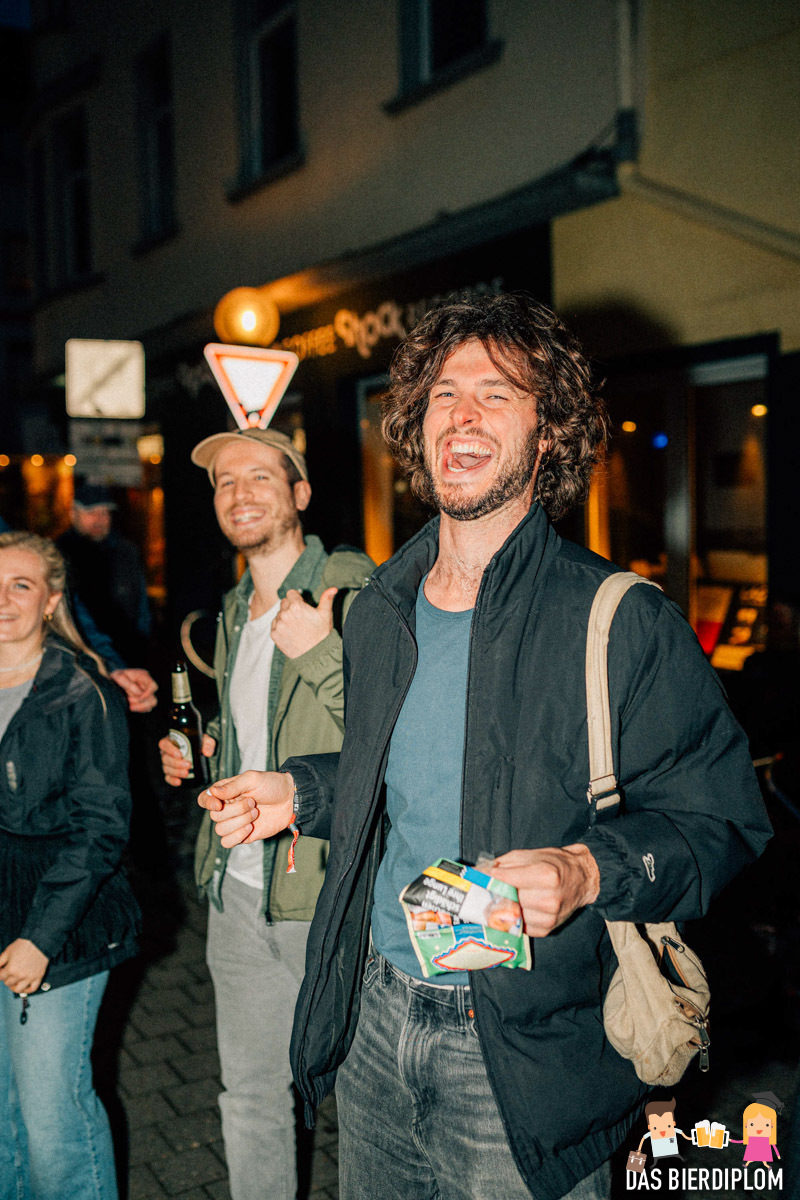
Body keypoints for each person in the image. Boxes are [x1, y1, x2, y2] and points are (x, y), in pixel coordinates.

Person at [201, 294, 773, 1200]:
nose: (462, 415)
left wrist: (585, 870)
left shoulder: (620, 619)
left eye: (497, 394)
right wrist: (301, 792)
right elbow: (401, 777)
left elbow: (723, 820)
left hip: (520, 1048)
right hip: (376, 1011)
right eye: (443, 394)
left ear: (549, 434)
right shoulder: (381, 608)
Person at [158, 428, 372, 1200]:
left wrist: (319, 650)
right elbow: (260, 727)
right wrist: (204, 749)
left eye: (259, 476)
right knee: (249, 1097)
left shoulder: (348, 586)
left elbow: (394, 731)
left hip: (326, 891)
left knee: (368, 1104)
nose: (239, 492)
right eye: (224, 481)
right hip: (239, 890)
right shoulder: (231, 608)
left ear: (300, 494)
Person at [0, 531, 139, 1200]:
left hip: (63, 922)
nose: (3, 600)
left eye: (21, 586)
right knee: (3, 1113)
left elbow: (101, 830)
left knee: (52, 1116)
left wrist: (41, 939)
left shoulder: (83, 693)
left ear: (51, 600)